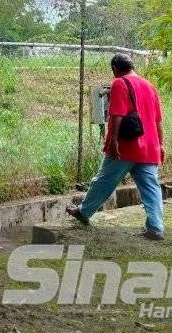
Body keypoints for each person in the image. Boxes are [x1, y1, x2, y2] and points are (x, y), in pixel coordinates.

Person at [66, 53, 166, 239]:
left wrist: (112, 141)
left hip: (126, 146)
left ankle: (84, 211)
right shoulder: (149, 86)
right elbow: (158, 120)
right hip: (149, 146)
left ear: (114, 68)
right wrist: (161, 144)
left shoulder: (119, 83)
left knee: (104, 181)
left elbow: (117, 114)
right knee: (151, 188)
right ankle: (156, 227)